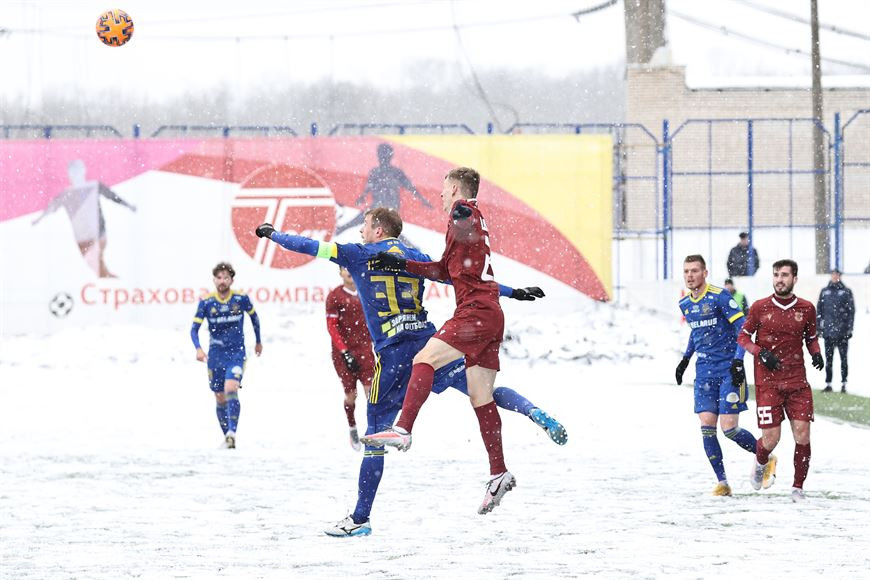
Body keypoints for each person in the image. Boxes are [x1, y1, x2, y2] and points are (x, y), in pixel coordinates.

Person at [255, 207, 563, 536]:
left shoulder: (358, 254)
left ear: (378, 230)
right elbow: (466, 279)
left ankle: (360, 519)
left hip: (391, 357)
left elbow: (307, 246)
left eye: (365, 226)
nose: (361, 232)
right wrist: (514, 292)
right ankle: (531, 410)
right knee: (480, 390)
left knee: (374, 436)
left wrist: (272, 234)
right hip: (428, 345)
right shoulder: (415, 257)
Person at [363, 167, 517, 516]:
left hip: (474, 313)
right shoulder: (465, 224)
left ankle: (403, 429)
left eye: (445, 189)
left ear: (457, 190)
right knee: (481, 398)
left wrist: (462, 213)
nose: (441, 194)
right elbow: (442, 271)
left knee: (424, 358)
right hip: (491, 314)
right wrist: (400, 265)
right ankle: (498, 472)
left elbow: (466, 219)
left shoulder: (463, 213)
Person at [737, 259, 824, 503]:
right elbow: (743, 337)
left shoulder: (806, 308)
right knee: (771, 439)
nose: (779, 280)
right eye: (776, 275)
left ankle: (797, 487)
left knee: (803, 434)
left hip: (797, 382)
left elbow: (811, 338)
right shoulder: (760, 307)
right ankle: (760, 461)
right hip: (768, 384)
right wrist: (760, 353)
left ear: (794, 279)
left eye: (784, 275)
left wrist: (816, 352)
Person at [675, 255, 761, 496]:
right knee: (706, 426)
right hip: (704, 373)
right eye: (686, 271)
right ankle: (723, 482)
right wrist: (685, 359)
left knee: (729, 428)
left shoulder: (720, 296)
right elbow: (696, 331)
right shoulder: (685, 303)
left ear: (705, 273)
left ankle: (763, 456)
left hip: (728, 371)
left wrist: (738, 361)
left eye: (694, 271)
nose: (690, 275)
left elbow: (743, 328)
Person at [190, 262, 263, 449]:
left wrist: (258, 341)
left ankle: (232, 432)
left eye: (226, 278)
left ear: (232, 280)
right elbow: (194, 329)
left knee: (231, 388)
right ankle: (228, 438)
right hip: (215, 355)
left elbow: (254, 318)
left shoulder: (240, 298)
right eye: (219, 278)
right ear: (214, 280)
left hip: (236, 352)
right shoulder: (207, 302)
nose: (222, 281)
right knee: (220, 397)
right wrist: (198, 348)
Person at [31, 159, 137, 278]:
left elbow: (113, 196)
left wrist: (128, 205)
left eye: (77, 170)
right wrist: (38, 219)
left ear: (83, 170)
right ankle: (108, 279)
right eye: (73, 171)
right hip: (84, 237)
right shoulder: (67, 193)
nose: (75, 174)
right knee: (97, 265)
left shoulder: (93, 186)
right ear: (69, 174)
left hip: (98, 233)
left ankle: (108, 279)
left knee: (97, 263)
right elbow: (51, 208)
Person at [335, 143, 433, 246]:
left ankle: (410, 247)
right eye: (381, 155)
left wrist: (422, 199)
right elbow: (369, 187)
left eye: (384, 155)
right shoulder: (376, 172)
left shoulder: (396, 172)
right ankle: (410, 247)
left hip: (390, 206)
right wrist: (363, 196)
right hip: (378, 205)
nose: (382, 158)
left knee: (386, 229)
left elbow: (411, 188)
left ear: (390, 156)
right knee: (380, 227)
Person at [325, 266, 374, 450]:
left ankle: (373, 430)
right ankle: (352, 426)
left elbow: (374, 320)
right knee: (351, 395)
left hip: (365, 350)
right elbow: (332, 326)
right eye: (344, 269)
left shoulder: (366, 292)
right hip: (343, 353)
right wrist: (344, 351)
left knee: (371, 392)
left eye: (350, 268)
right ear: (340, 273)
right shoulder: (335, 296)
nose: (348, 272)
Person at [816, 268, 855, 393]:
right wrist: (819, 328)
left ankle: (844, 384)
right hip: (828, 332)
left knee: (843, 359)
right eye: (833, 274)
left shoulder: (846, 292)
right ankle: (828, 383)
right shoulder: (825, 292)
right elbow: (819, 311)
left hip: (842, 333)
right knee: (829, 360)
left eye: (836, 274)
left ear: (840, 276)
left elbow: (851, 312)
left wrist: (849, 328)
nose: (834, 276)